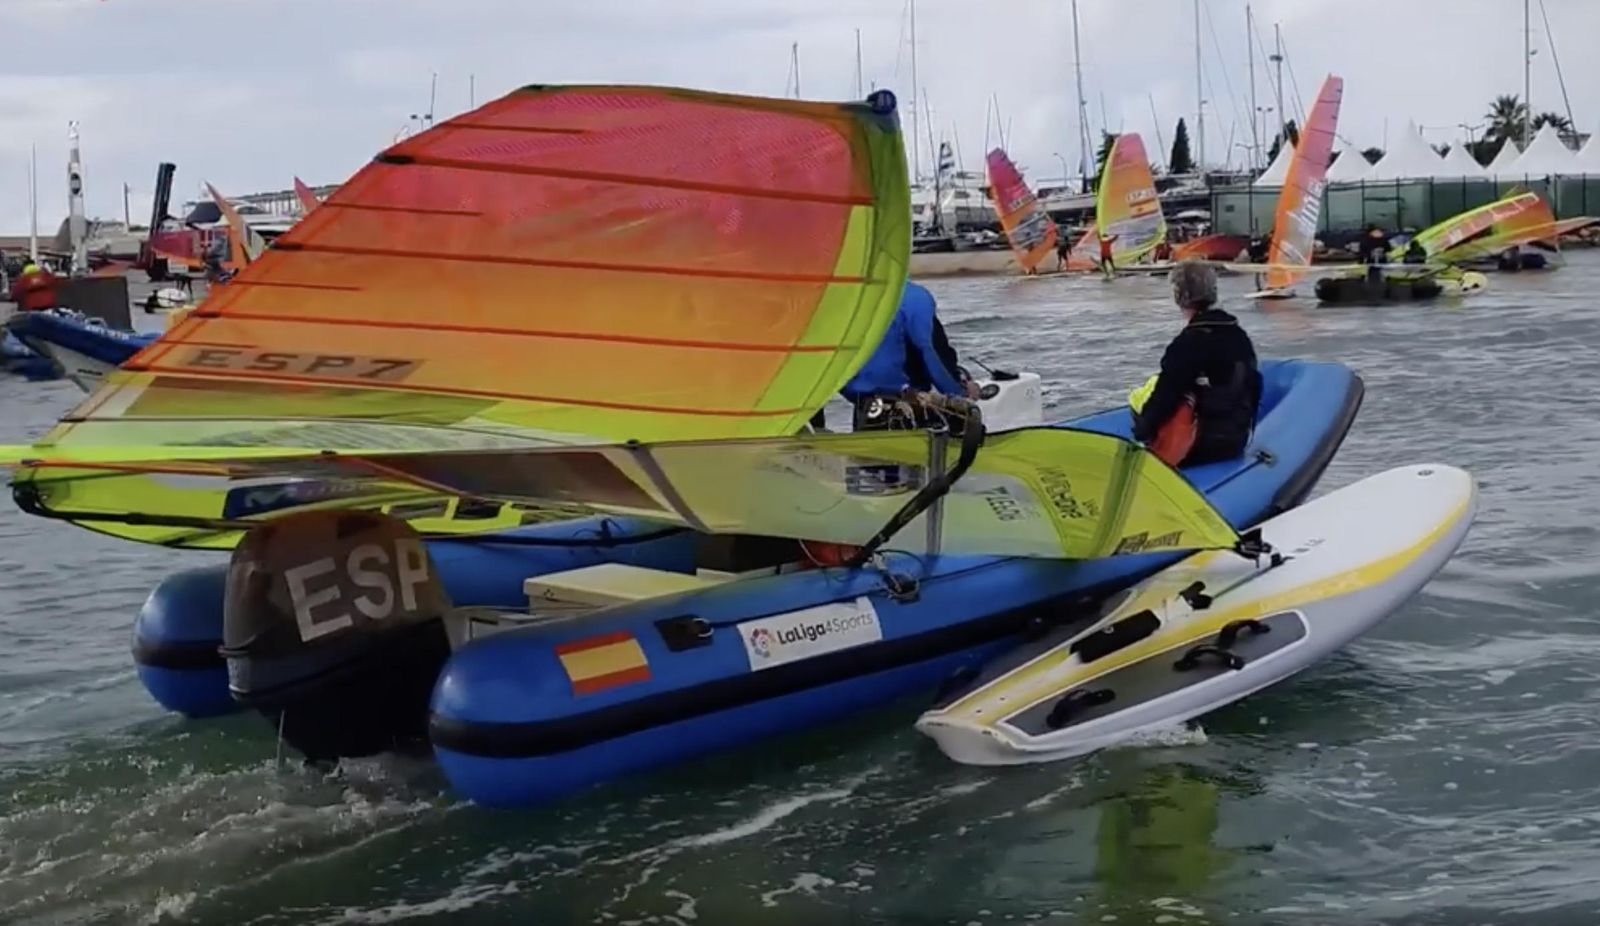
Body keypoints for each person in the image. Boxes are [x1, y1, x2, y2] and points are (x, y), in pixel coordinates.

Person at [1131, 261, 1262, 466]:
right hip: (1236, 439)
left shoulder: (1187, 343)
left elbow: (1166, 395)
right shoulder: (1238, 335)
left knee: (1140, 400)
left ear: (1179, 296)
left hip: (1199, 447)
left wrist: (1142, 430)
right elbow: (1254, 386)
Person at [839, 281, 976, 431]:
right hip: (908, 408)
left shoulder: (845, 299)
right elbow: (932, 353)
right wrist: (960, 394)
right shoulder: (912, 297)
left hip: (864, 408)